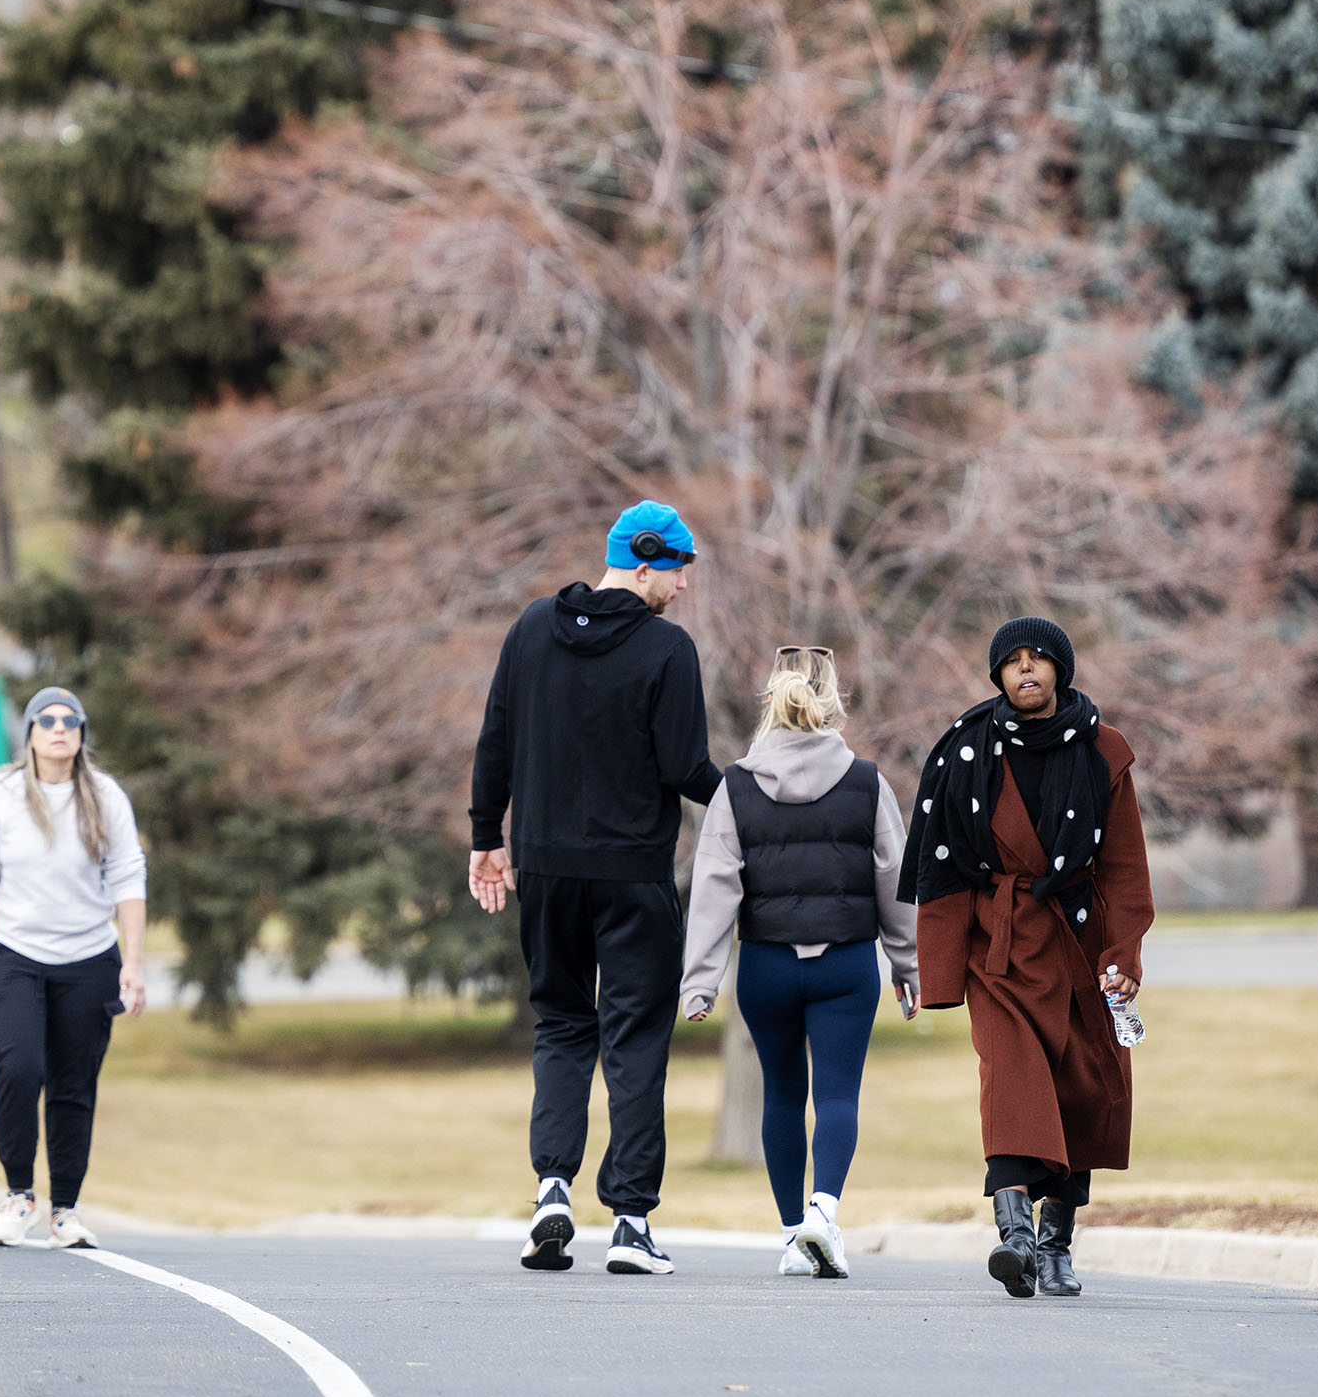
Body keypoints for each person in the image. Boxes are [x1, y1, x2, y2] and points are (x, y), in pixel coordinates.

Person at [470, 501, 720, 1276]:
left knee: (562, 1025)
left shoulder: (531, 629)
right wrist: (753, 797)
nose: (682, 588)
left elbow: (496, 742)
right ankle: (633, 1222)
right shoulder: (666, 650)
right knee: (636, 1039)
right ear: (645, 561)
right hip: (634, 875)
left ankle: (552, 1188)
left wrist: (488, 839)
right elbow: (685, 769)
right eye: (678, 570)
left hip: (546, 867)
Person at [904, 617, 1154, 1300]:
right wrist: (940, 969)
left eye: (1038, 658)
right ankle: (1014, 1234)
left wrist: (1123, 951)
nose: (1025, 670)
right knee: (1010, 1077)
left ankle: (1056, 1243)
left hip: (1078, 943)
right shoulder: (965, 749)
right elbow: (942, 864)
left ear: (1059, 669)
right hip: (1000, 945)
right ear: (997, 675)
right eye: (1012, 660)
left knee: (1077, 1088)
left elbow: (1126, 866)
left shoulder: (1105, 748)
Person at [681, 648, 918, 1279]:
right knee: (838, 1093)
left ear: (771, 707)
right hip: (845, 964)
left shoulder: (735, 786)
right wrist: (908, 965)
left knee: (782, 1098)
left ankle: (793, 1236)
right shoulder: (868, 783)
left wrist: (700, 981)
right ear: (832, 707)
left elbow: (713, 888)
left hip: (766, 968)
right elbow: (895, 880)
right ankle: (824, 1210)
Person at [0, 686, 148, 1252]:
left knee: (73, 1083)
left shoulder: (105, 797)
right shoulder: (3, 795)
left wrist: (132, 962)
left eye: (71, 720)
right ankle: (18, 1196)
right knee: (17, 1068)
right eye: (47, 720)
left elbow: (128, 878)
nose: (59, 728)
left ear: (82, 733)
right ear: (30, 733)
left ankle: (65, 1210)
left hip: (88, 959)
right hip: (14, 953)